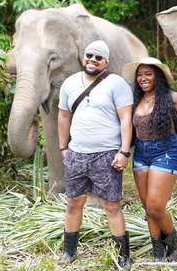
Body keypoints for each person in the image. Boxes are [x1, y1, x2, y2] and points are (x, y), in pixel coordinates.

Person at [57, 40, 133, 270]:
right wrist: (64, 148)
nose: (93, 59)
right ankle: (69, 251)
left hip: (107, 155)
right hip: (77, 154)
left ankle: (123, 256)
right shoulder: (69, 83)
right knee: (73, 203)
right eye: (89, 55)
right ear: (83, 57)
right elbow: (63, 117)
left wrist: (124, 151)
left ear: (105, 62)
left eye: (98, 57)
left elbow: (126, 120)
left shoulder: (116, 83)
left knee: (111, 206)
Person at [121, 57, 177, 262]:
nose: (143, 78)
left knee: (156, 207)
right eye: (139, 74)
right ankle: (159, 254)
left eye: (148, 74)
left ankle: (174, 241)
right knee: (148, 208)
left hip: (166, 152)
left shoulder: (172, 97)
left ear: (158, 76)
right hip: (141, 153)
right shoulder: (136, 99)